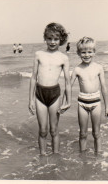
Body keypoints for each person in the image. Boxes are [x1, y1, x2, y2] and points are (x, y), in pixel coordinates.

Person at [28, 23, 71, 155]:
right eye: (49, 38)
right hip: (40, 94)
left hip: (55, 95)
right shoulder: (38, 54)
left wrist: (68, 101)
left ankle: (56, 157)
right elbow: (33, 77)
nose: (52, 42)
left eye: (56, 39)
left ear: (61, 40)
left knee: (54, 130)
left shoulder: (64, 58)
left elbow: (68, 82)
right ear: (45, 38)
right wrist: (30, 100)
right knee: (42, 130)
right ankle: (42, 157)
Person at [70, 36, 108, 156]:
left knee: (96, 133)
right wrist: (65, 102)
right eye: (83, 52)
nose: (86, 55)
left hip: (96, 103)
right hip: (82, 103)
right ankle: (83, 156)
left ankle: (98, 156)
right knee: (82, 133)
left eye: (89, 52)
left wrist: (107, 107)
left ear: (94, 52)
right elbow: (68, 86)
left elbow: (103, 87)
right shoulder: (77, 69)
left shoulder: (98, 68)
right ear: (78, 53)